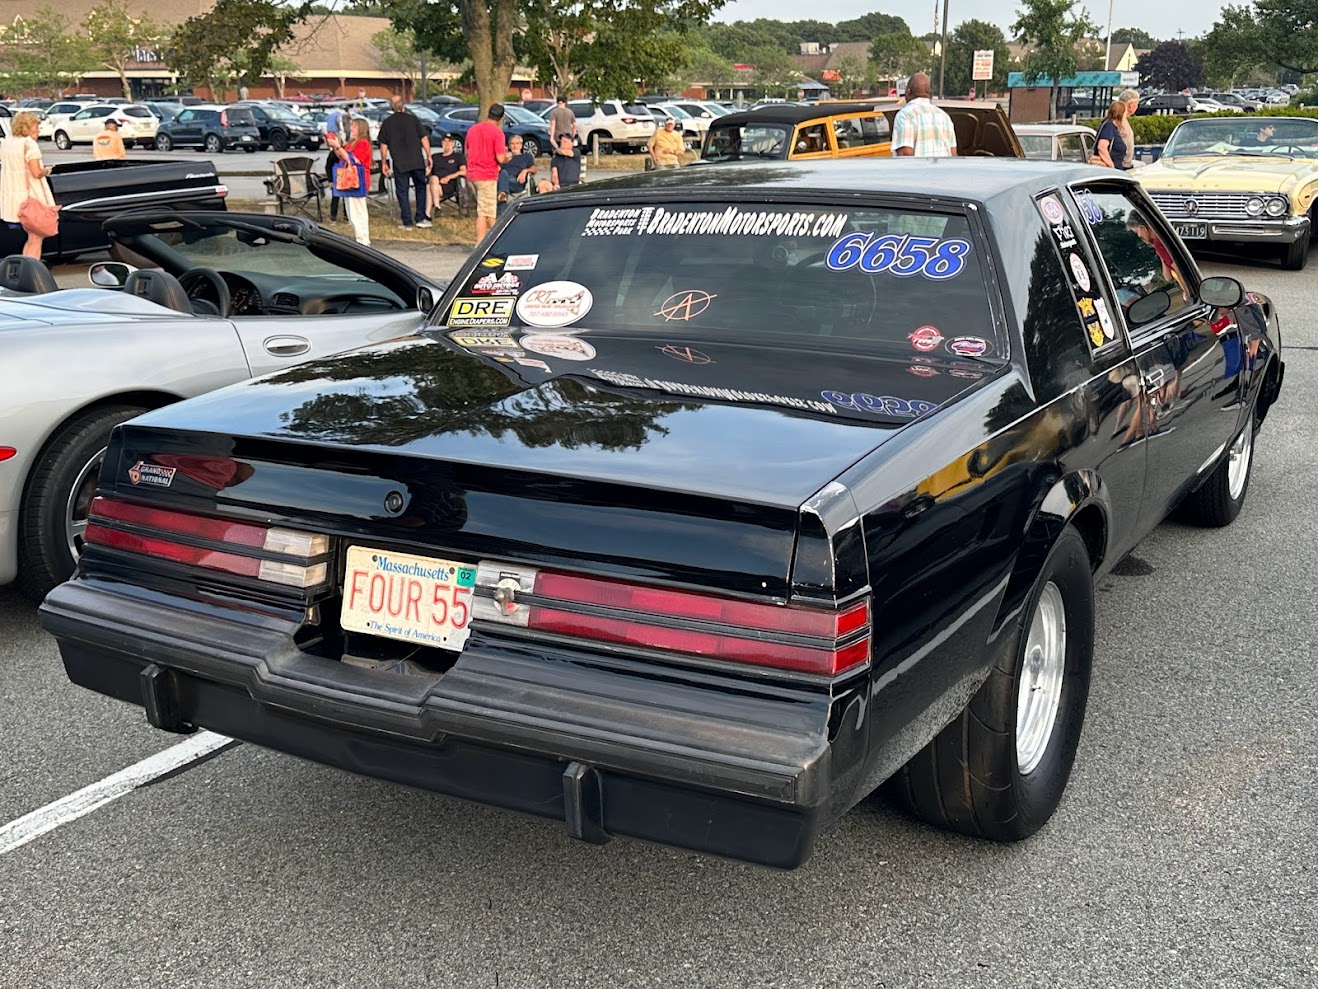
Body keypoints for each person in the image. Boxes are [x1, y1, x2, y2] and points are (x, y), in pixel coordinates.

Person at [0, 111, 56, 259]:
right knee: (36, 238)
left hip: (13, 198)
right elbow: (36, 172)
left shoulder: (7, 142)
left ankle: (25, 269)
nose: (38, 130)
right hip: (31, 197)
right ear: (27, 127)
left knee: (31, 238)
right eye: (35, 126)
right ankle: (32, 272)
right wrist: (47, 170)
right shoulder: (29, 144)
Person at [377, 96, 431, 229]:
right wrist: (429, 156)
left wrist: (384, 162)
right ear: (404, 106)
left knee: (402, 191)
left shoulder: (387, 123)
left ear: (391, 107)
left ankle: (407, 222)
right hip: (416, 160)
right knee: (421, 188)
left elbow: (383, 145)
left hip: (400, 162)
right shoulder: (413, 120)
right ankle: (420, 217)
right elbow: (424, 138)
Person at [464, 103, 510, 240]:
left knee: (484, 209)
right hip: (487, 175)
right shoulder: (497, 133)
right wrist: (508, 159)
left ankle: (490, 241)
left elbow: (467, 152)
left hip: (472, 173)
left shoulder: (473, 129)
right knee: (487, 213)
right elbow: (500, 158)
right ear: (501, 118)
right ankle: (484, 243)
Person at [327, 118, 373, 246]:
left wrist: (339, 146)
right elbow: (342, 156)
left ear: (360, 128)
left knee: (358, 210)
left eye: (354, 126)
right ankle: (360, 237)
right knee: (352, 211)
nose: (351, 128)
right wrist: (335, 146)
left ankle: (363, 238)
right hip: (350, 180)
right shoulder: (352, 143)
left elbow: (352, 159)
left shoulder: (363, 143)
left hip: (359, 180)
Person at [890, 72, 957, 157]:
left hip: (918, 170)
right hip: (943, 169)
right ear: (929, 92)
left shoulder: (905, 115)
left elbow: (905, 153)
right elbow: (953, 153)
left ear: (908, 91)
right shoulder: (944, 117)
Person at [428, 132, 466, 215]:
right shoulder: (435, 157)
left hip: (449, 185)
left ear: (453, 144)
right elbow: (428, 171)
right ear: (442, 143)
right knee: (432, 180)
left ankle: (427, 213)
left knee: (428, 187)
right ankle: (437, 208)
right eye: (445, 141)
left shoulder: (458, 156)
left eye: (449, 141)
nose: (447, 143)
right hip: (436, 184)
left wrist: (449, 177)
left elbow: (464, 171)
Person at [497, 133, 536, 210]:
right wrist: (503, 160)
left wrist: (525, 171)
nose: (515, 146)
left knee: (503, 174)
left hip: (517, 182)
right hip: (503, 181)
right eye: (512, 144)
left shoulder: (526, 157)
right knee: (503, 175)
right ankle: (502, 199)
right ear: (509, 146)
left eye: (517, 143)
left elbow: (534, 169)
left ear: (521, 145)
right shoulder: (504, 158)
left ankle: (502, 205)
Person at [1094, 100, 1129, 169]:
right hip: (1110, 170)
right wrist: (1111, 166)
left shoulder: (1112, 127)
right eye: (1125, 112)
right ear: (1121, 114)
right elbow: (1102, 147)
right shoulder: (1109, 126)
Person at [1118, 89, 1140, 167]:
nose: (1137, 107)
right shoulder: (1118, 121)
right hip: (1121, 165)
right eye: (1136, 104)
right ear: (1130, 105)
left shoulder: (1122, 119)